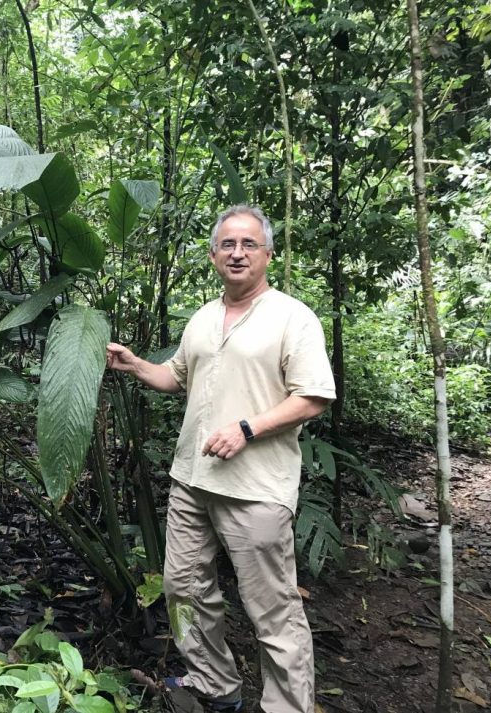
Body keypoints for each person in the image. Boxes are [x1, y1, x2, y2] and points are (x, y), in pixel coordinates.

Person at [106, 205, 336, 713]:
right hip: (192, 479)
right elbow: (178, 377)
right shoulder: (205, 317)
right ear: (213, 255)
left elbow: (314, 396)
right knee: (183, 588)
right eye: (227, 244)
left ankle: (287, 706)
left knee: (272, 610)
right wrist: (135, 365)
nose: (237, 253)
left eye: (248, 244)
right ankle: (215, 685)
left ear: (267, 254)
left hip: (255, 488)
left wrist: (248, 428)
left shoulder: (292, 317)